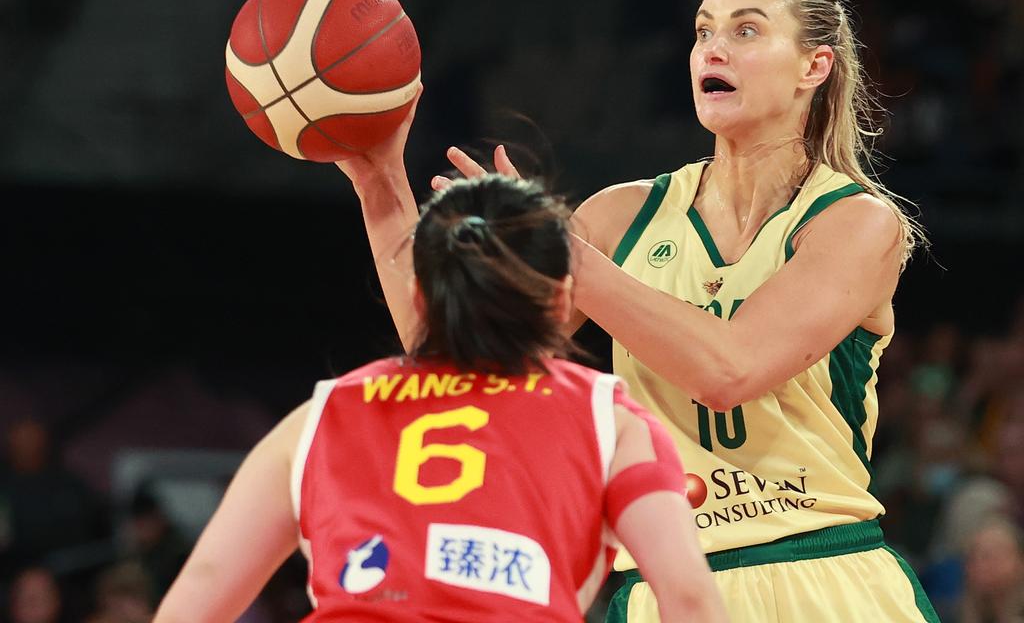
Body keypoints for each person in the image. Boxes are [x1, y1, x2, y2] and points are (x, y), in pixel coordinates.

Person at [340, 0, 940, 622]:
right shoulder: (622, 216)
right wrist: (380, 186)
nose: (712, 47)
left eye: (746, 30)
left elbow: (730, 368)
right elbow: (454, 368)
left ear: (813, 67)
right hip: (660, 590)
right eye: (703, 30)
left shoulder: (854, 222)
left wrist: (569, 255)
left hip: (819, 578)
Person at [153, 175, 726, 622]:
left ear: (419, 297)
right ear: (561, 301)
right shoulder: (610, 419)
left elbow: (191, 607)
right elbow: (691, 602)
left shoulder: (319, 417)